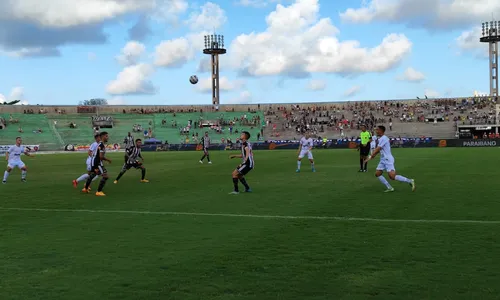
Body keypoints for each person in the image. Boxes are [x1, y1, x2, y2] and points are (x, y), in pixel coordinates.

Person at [365, 126, 415, 192]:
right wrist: (373, 156)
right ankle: (389, 187)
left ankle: (410, 181)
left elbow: (378, 149)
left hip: (387, 159)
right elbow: (379, 150)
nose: (376, 131)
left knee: (392, 176)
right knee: (377, 174)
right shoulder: (380, 139)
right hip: (383, 159)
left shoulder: (384, 138)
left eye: (377, 130)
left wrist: (371, 156)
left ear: (381, 131)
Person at [83, 132, 111, 196]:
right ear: (103, 137)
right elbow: (101, 156)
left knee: (93, 174)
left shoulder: (99, 144)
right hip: (97, 163)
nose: (107, 137)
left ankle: (86, 188)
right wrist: (107, 160)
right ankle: (99, 191)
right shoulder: (101, 145)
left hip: (94, 162)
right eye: (106, 136)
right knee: (105, 176)